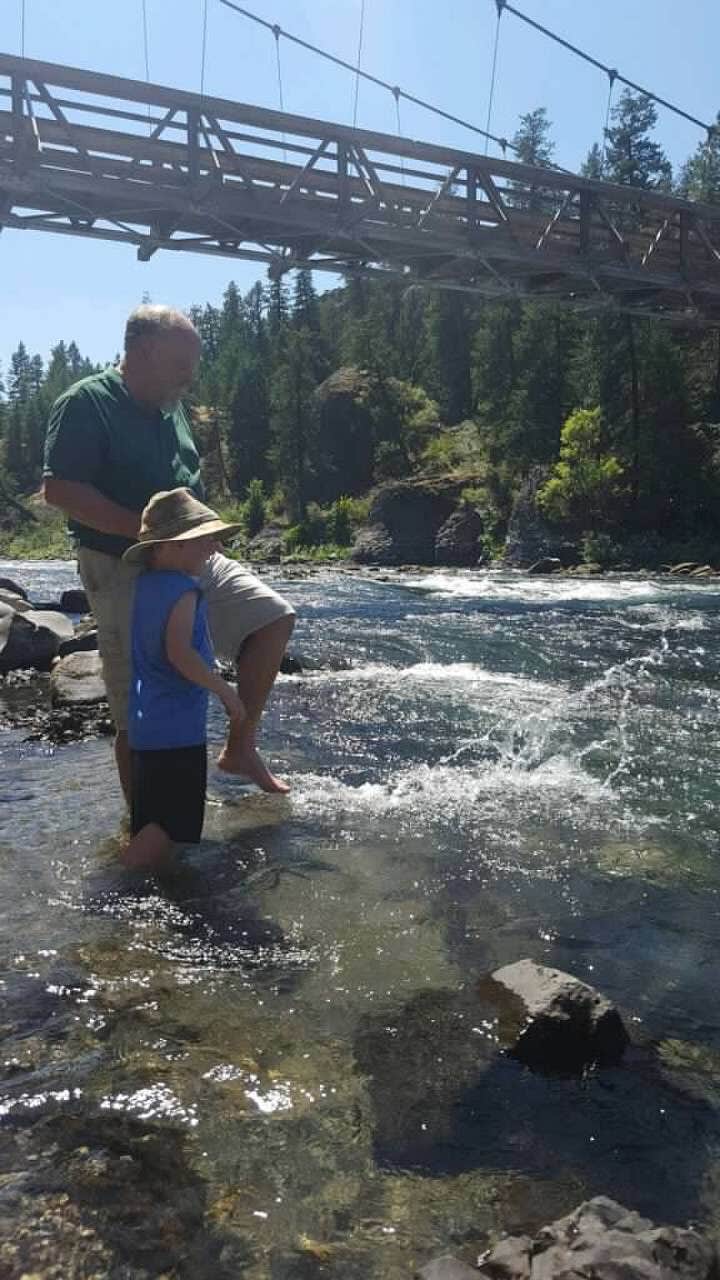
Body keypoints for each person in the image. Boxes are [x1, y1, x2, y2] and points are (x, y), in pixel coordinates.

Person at [43, 303, 295, 800]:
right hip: (121, 562)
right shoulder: (87, 402)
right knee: (137, 705)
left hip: (191, 554)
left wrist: (204, 531)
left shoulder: (170, 405)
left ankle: (239, 749)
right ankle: (145, 827)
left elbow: (185, 486)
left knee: (272, 618)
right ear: (142, 352)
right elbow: (61, 490)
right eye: (182, 364)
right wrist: (146, 534)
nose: (191, 376)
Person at [121, 488, 246, 870]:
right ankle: (117, 889)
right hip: (176, 732)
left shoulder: (145, 584)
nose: (215, 547)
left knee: (151, 818)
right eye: (206, 539)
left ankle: (146, 881)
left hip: (146, 727)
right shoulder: (184, 590)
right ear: (172, 546)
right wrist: (225, 691)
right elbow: (179, 654)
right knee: (170, 826)